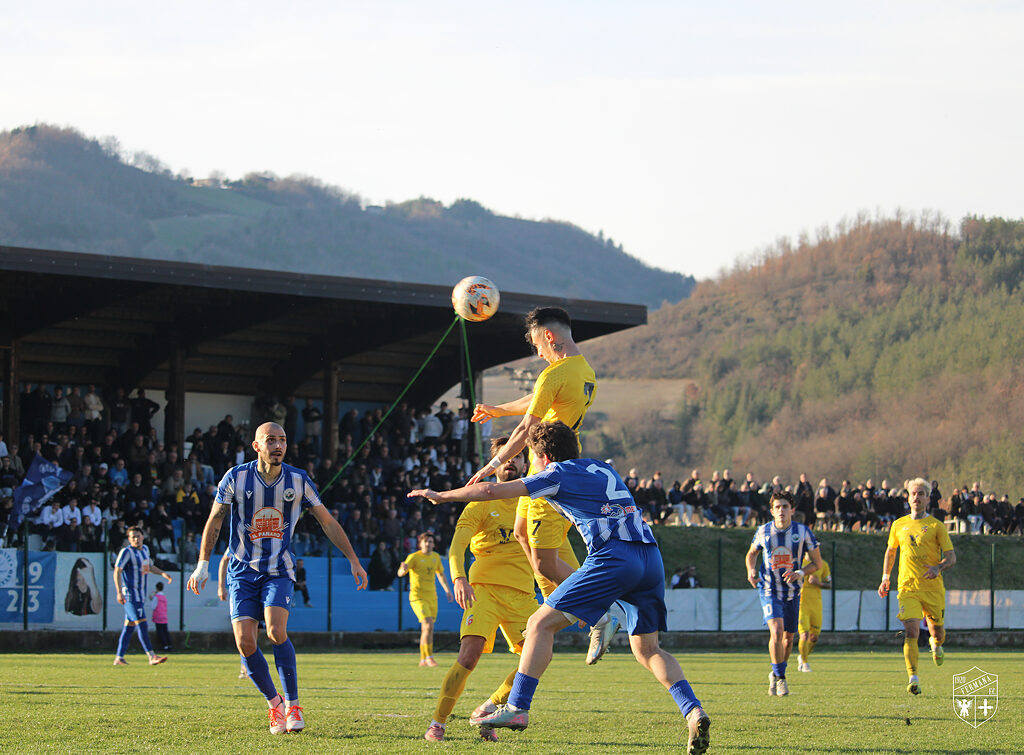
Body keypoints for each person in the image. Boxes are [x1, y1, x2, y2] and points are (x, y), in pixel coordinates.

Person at [411, 421, 711, 755]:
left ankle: (518, 707)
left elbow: (490, 491)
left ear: (545, 456)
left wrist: (441, 496)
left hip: (615, 557)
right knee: (648, 650)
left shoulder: (555, 474)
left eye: (533, 457)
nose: (532, 464)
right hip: (650, 556)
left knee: (539, 624)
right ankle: (693, 710)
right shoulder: (601, 467)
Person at [187, 421, 368, 735]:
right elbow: (215, 520)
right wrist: (203, 564)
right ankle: (275, 705)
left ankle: (295, 704)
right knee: (245, 643)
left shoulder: (298, 480)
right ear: (257, 445)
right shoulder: (236, 477)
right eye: (270, 440)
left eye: (282, 440)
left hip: (279, 570)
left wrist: (353, 559)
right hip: (242, 570)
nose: (278, 445)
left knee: (274, 630)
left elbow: (327, 521)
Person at [466, 307, 617, 663]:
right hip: (553, 472)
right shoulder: (582, 371)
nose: (537, 353)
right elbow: (537, 399)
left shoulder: (556, 373)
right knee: (521, 534)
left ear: (550, 337)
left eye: (537, 344)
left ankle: (600, 611)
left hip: (549, 477)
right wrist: (498, 410)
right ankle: (579, 601)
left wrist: (492, 464)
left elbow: (525, 429)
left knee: (545, 564)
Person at [421, 436, 539, 743]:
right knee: (469, 656)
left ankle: (489, 708)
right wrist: (459, 578)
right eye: (504, 456)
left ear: (526, 463)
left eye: (517, 456)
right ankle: (438, 722)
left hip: (523, 595)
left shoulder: (535, 504)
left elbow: (551, 550)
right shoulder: (480, 503)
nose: (511, 461)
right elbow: (456, 547)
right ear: (496, 465)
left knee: (538, 657)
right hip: (483, 590)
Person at [877, 477, 956, 696]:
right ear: (908, 497)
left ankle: (936, 645)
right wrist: (885, 577)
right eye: (913, 493)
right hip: (907, 587)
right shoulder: (899, 524)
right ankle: (913, 678)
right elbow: (891, 552)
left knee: (937, 632)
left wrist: (938, 568)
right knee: (911, 630)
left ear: (928, 498)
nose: (917, 497)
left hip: (932, 589)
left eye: (921, 493)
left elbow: (951, 557)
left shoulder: (936, 526)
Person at [745, 491, 823, 697]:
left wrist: (800, 572)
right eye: (777, 507)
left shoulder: (803, 532)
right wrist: (751, 571)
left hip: (793, 592)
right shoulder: (763, 532)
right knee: (777, 632)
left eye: (785, 507)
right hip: (769, 589)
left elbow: (818, 563)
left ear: (792, 510)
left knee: (789, 639)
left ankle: (777, 672)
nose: (781, 511)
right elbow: (751, 554)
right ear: (771, 511)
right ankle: (781, 679)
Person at [113, 526, 173, 666]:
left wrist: (163, 573)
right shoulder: (126, 552)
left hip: (140, 596)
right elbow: (117, 570)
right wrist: (119, 592)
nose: (136, 539)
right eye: (132, 537)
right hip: (130, 596)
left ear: (143, 537)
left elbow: (149, 567)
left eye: (138, 536)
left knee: (129, 627)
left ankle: (119, 658)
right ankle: (151, 656)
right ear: (129, 539)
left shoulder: (145, 550)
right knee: (142, 624)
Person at [398, 532, 453, 667]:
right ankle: (429, 657)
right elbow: (400, 573)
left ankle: (423, 660)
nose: (428, 544)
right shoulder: (414, 557)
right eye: (426, 541)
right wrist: (402, 569)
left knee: (428, 628)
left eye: (430, 542)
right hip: (417, 597)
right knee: (428, 624)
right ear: (420, 543)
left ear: (434, 544)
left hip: (432, 597)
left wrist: (447, 590)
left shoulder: (436, 557)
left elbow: (440, 575)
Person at [796, 551, 831, 672]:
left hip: (816, 605)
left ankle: (802, 656)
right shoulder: (799, 564)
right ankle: (804, 663)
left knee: (814, 637)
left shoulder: (823, 565)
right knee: (804, 634)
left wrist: (819, 583)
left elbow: (829, 584)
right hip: (801, 604)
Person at [149, 581, 172, 652]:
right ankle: (169, 644)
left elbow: (153, 606)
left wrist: (151, 598)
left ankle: (164, 645)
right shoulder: (164, 597)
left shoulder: (156, 597)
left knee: (160, 632)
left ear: (156, 588)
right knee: (165, 631)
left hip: (158, 616)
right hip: (164, 616)